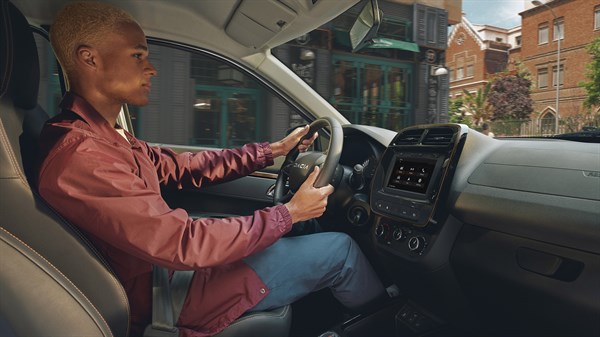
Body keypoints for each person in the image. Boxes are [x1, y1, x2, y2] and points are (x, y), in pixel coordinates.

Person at [37, 2, 386, 336]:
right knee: (339, 250)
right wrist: (289, 214)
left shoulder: (106, 136)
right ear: (89, 58)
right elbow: (182, 244)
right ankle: (391, 325)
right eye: (138, 55)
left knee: (298, 233)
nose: (152, 68)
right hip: (169, 295)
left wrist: (273, 151)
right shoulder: (83, 156)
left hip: (169, 272)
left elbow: (183, 168)